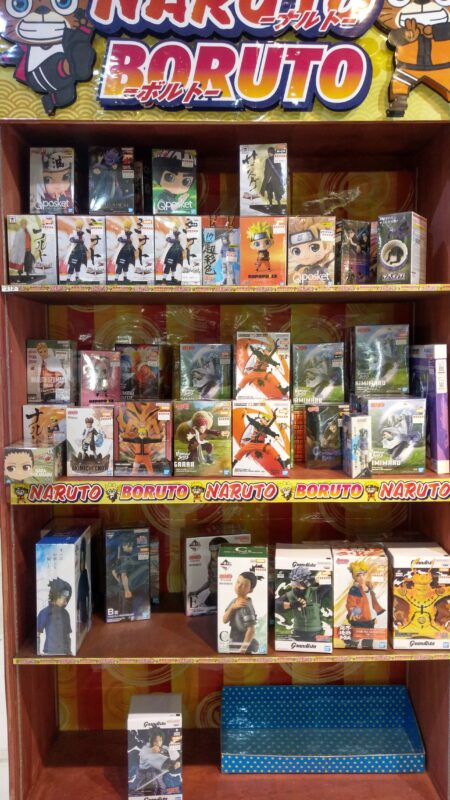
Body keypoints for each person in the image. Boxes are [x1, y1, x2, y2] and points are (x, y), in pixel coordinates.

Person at [276, 566, 329, 642]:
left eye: (299, 581)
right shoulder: (290, 594)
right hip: (298, 633)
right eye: (294, 581)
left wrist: (313, 579)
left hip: (316, 633)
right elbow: (276, 605)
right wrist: (292, 605)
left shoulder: (316, 592)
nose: (296, 584)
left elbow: (329, 581)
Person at [346, 560, 385, 648]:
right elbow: (350, 602)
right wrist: (353, 611)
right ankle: (351, 647)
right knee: (355, 638)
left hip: (370, 619)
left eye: (363, 574)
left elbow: (371, 602)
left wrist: (374, 615)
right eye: (358, 575)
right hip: (360, 619)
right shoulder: (354, 589)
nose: (361, 577)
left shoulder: (368, 586)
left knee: (368, 639)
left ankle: (367, 648)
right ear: (354, 577)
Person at [222, 569, 262, 654]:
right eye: (238, 582)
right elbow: (224, 620)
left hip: (241, 639)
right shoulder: (234, 601)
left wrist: (243, 648)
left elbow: (251, 629)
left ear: (251, 590)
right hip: (233, 637)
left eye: (244, 585)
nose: (239, 586)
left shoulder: (245, 606)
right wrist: (232, 607)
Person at [189, 536, 229, 609]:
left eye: (218, 550)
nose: (216, 554)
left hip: (225, 596)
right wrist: (197, 592)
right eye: (213, 551)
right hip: (213, 595)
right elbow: (210, 581)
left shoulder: (232, 564)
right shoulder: (211, 565)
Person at [37, 577, 72, 655]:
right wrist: (38, 652)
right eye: (64, 599)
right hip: (50, 652)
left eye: (67, 600)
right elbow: (37, 633)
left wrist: (69, 651)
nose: (66, 603)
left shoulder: (66, 614)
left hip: (64, 652)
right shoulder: (44, 613)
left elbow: (67, 635)